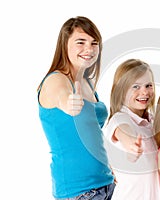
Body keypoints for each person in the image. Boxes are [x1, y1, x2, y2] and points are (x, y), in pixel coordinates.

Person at [37, 16, 115, 199]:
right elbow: (63, 98)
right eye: (81, 42)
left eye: (94, 43)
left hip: (105, 184)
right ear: (65, 45)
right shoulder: (56, 80)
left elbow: (91, 135)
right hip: (79, 192)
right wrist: (69, 104)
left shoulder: (86, 83)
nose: (89, 49)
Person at [104, 59, 160, 200]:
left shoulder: (154, 122)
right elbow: (124, 132)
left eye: (148, 85)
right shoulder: (119, 119)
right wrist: (132, 145)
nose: (144, 92)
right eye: (136, 87)